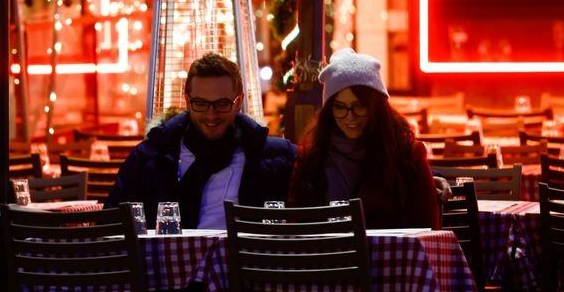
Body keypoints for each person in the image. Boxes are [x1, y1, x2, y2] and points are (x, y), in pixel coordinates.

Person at [107, 52, 298, 230]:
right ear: (188, 102)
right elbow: (112, 221)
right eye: (201, 104)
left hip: (246, 264)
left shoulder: (276, 156)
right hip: (171, 263)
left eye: (222, 104)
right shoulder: (149, 158)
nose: (211, 115)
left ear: (238, 103)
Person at [288, 48, 440, 229]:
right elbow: (296, 224)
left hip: (389, 256)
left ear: (376, 107)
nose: (349, 117)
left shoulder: (406, 156)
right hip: (328, 256)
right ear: (330, 111)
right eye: (340, 107)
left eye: (359, 106)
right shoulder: (312, 159)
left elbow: (428, 228)